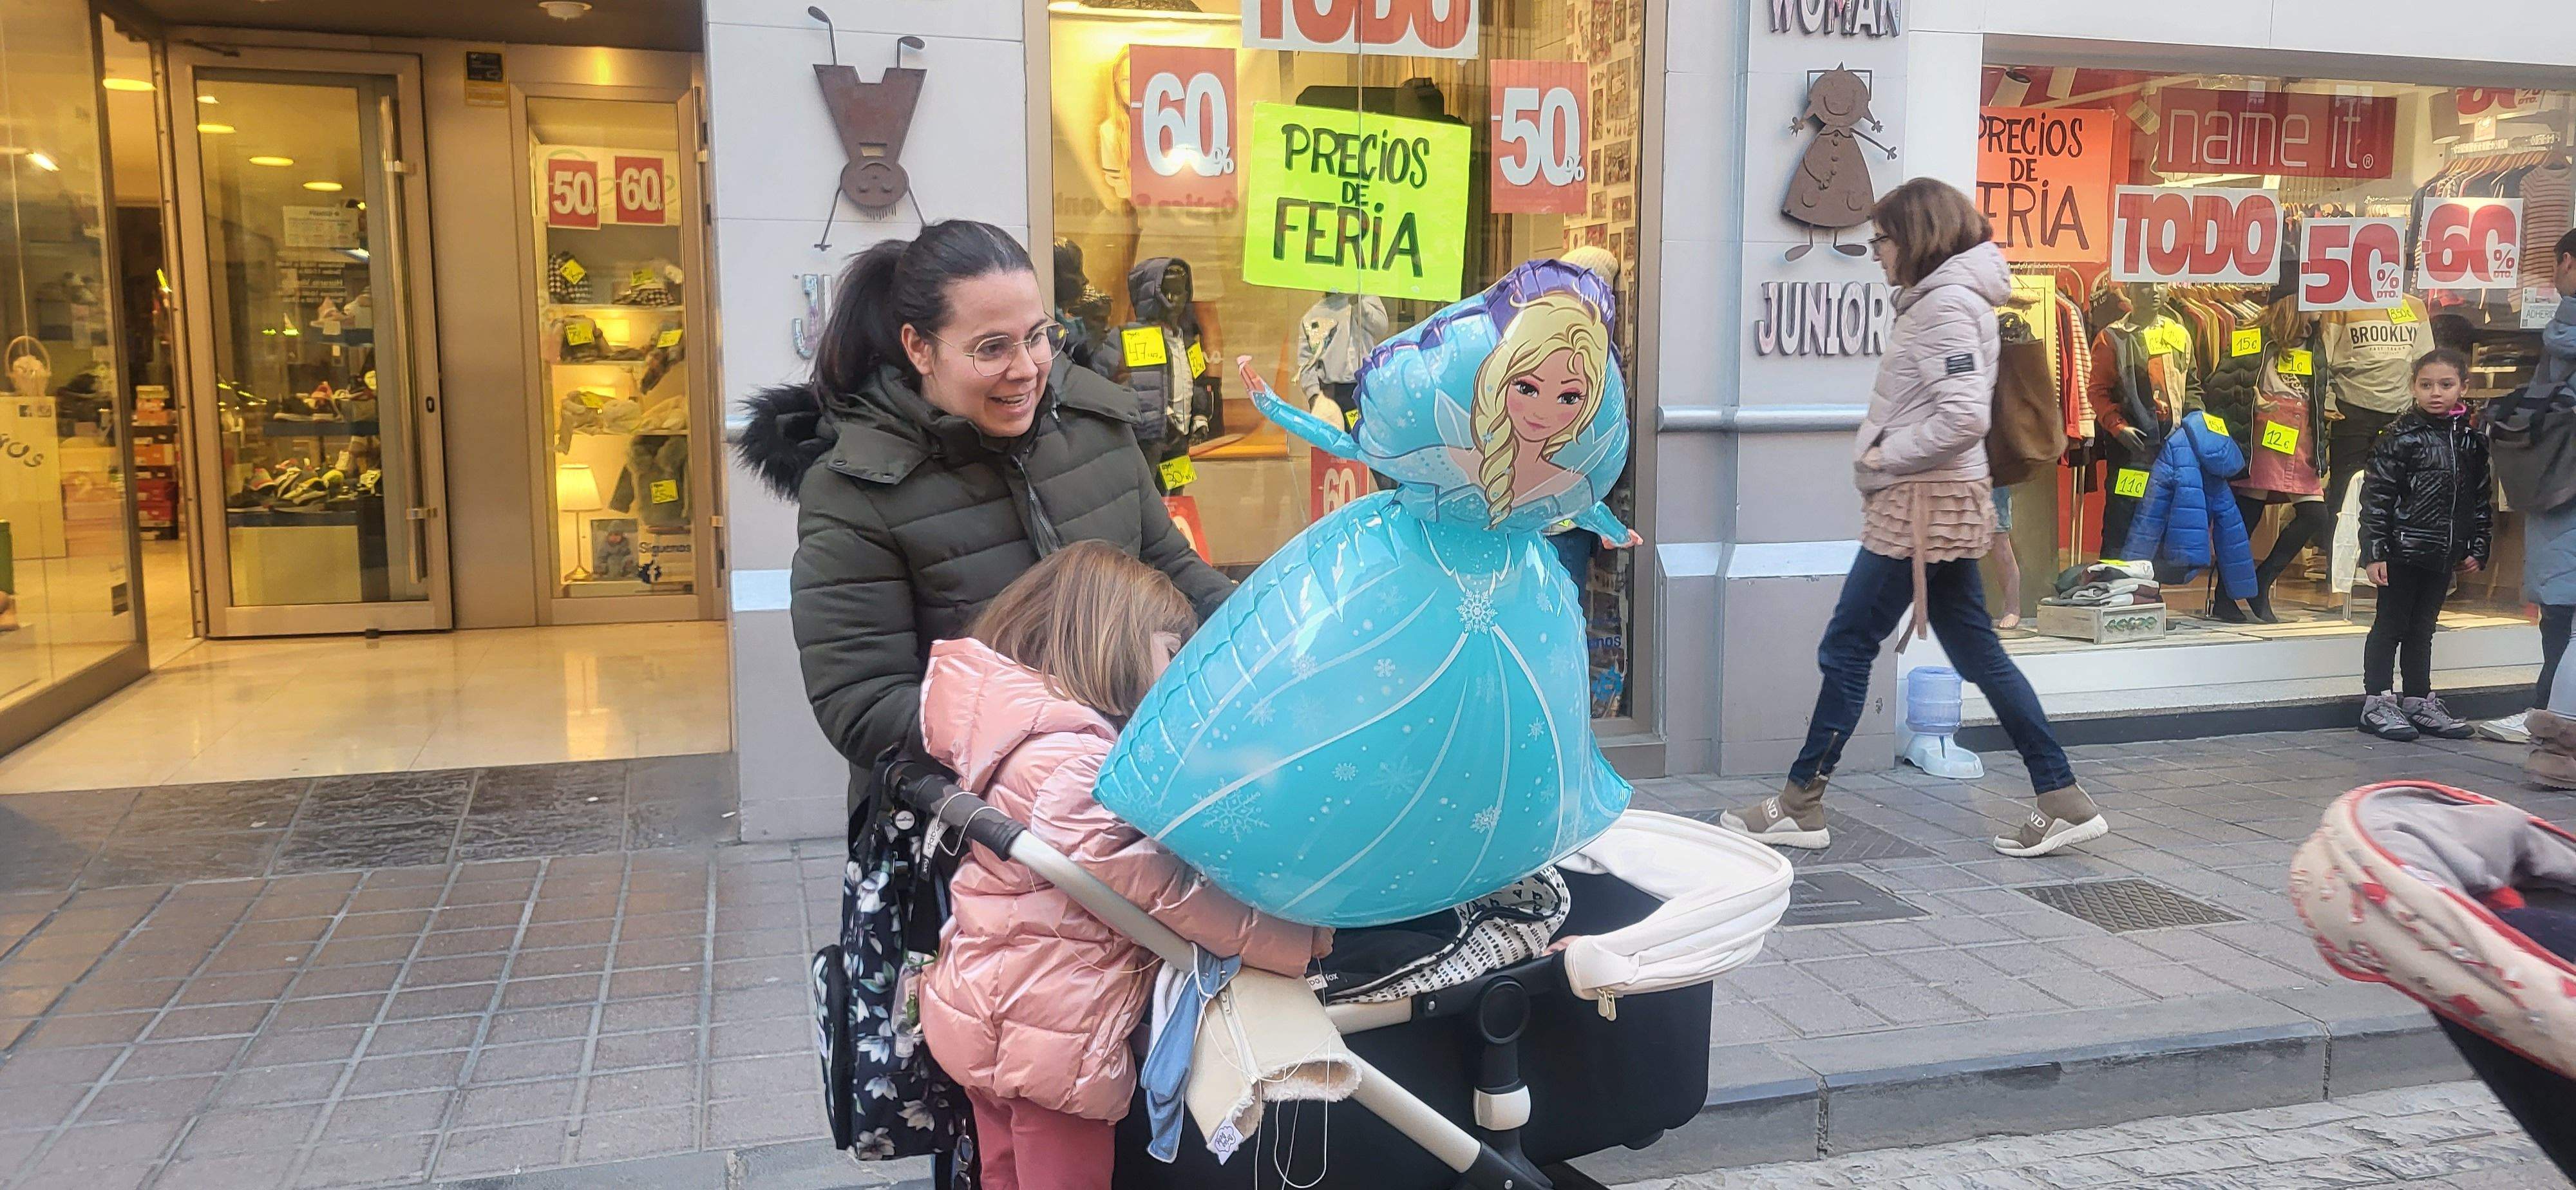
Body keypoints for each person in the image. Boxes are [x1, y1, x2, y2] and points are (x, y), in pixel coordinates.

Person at [734, 220, 1232, 813]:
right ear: (920, 348)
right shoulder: (857, 490)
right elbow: (861, 703)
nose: (1025, 369)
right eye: (991, 348)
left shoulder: (1095, 429)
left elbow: (1172, 568)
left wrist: (1257, 634)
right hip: (974, 828)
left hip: (1135, 791)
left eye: (1038, 336)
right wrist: (1048, 726)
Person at [915, 542, 1330, 1190]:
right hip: (1050, 1037)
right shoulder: (1067, 762)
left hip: (996, 1012)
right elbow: (1161, 891)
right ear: (1114, 642)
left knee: (1000, 1177)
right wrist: (1295, 942)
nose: (1176, 679)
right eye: (1170, 655)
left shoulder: (1014, 732)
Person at [1721, 178, 2108, 858]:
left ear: (1917, 237)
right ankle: (2061, 795)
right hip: (1941, 502)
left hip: (1920, 505)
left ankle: (1799, 803)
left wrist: (1882, 453)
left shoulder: (1945, 308)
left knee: (1847, 646)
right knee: (1977, 653)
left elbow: (1962, 416)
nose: (1875, 253)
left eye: (1883, 239)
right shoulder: (1948, 301)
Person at [2356, 349, 2492, 741]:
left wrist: (2478, 544)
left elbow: (2479, 498)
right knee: (2390, 625)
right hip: (2402, 550)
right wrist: (2375, 551)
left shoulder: (2470, 440)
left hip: (2443, 552)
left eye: (2446, 385)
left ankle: (2418, 699)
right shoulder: (2400, 435)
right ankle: (2377, 701)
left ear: (2463, 388)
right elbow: (2377, 496)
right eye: (2426, 385)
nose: (2436, 393)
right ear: (2413, 386)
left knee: (2423, 628)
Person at [2482, 230, 2576, 743]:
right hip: (2563, 479)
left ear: (2567, 262)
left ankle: (2549, 715)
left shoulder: (2566, 330)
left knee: (2562, 610)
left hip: (2564, 479)